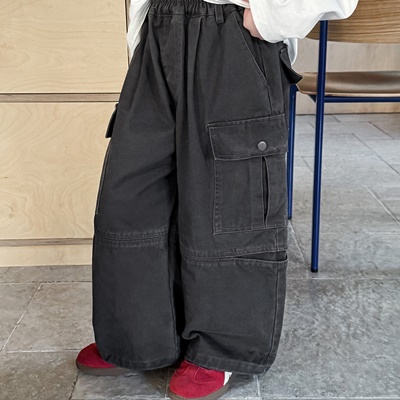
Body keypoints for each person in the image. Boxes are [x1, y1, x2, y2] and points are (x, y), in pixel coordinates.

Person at [76, 0, 358, 399]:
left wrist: (271, 17)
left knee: (230, 202)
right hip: (160, 29)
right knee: (132, 194)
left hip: (231, 34)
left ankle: (220, 348)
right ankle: (138, 336)